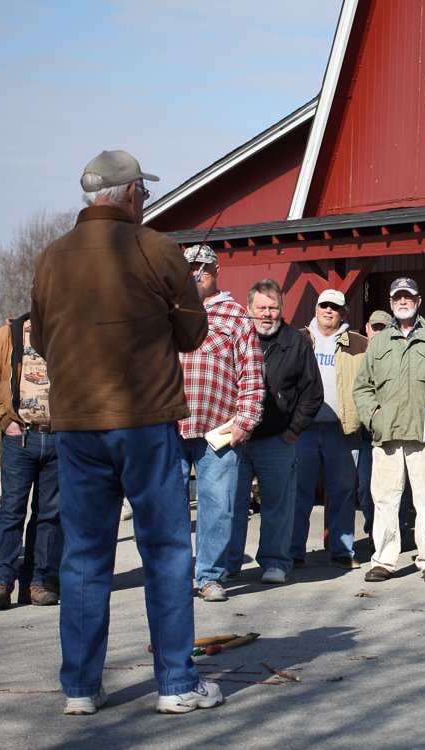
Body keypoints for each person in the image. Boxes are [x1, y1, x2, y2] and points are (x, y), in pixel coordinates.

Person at [30, 149, 221, 713]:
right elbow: (191, 333)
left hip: (78, 424)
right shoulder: (156, 248)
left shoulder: (50, 258)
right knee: (164, 550)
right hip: (144, 421)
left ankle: (81, 689)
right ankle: (177, 684)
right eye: (144, 192)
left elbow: (41, 339)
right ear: (133, 193)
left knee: (84, 556)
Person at [179, 244, 264, 603]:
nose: (198, 274)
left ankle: (210, 576)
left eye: (205, 269)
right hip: (170, 427)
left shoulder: (236, 317)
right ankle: (176, 575)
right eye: (191, 268)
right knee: (168, 506)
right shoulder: (170, 312)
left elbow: (253, 376)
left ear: (217, 271)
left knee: (220, 505)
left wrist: (245, 421)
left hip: (219, 430)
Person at [354, 278, 425, 583]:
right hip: (387, 437)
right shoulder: (379, 342)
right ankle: (384, 559)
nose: (403, 301)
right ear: (391, 300)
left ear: (418, 300)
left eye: (408, 296)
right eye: (398, 296)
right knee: (384, 500)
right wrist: (375, 418)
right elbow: (362, 388)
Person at [225, 280, 323, 584]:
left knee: (278, 505)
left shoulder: (296, 342)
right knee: (230, 505)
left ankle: (275, 563)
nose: (267, 314)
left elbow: (312, 392)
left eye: (273, 307)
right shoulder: (233, 338)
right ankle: (228, 565)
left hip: (277, 439)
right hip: (235, 439)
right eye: (261, 308)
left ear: (281, 309)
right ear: (249, 308)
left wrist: (293, 430)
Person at [0, 313, 61, 609]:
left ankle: (36, 583)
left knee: (50, 514)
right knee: (11, 509)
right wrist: (0, 418)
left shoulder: (68, 333)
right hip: (19, 437)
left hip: (59, 437)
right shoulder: (7, 336)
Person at [292, 290, 369, 569]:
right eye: (324, 305)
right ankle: (293, 551)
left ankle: (342, 550)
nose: (328, 311)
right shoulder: (297, 338)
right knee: (298, 492)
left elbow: (369, 382)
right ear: (315, 309)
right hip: (303, 430)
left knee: (343, 492)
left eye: (335, 307)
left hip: (343, 430)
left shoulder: (359, 343)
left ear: (343, 313)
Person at [358, 309, 393, 539]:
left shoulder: (395, 354)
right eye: (375, 327)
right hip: (363, 434)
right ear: (367, 329)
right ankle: (373, 530)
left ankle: (392, 533)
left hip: (391, 432)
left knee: (393, 489)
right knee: (365, 488)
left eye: (384, 328)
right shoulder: (355, 354)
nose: (378, 332)